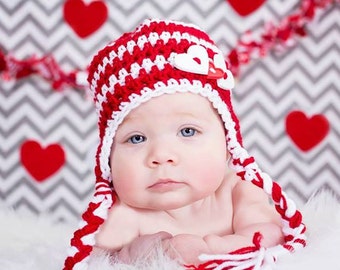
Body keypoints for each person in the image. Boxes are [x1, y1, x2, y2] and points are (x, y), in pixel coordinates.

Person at [64, 18, 306, 270]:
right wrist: (145, 251)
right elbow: (100, 258)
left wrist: (212, 250)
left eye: (188, 131)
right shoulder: (126, 214)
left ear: (227, 140)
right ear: (107, 157)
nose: (161, 156)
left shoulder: (239, 191)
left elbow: (268, 234)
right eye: (136, 138)